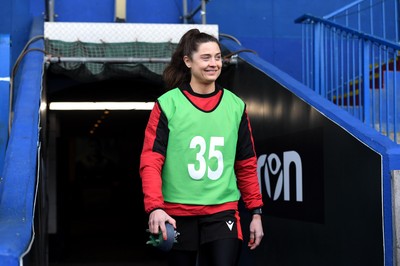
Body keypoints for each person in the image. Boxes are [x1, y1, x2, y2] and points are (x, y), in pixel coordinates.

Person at [139, 28, 264, 266]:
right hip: (176, 213)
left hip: (222, 211)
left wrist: (256, 212)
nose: (213, 64)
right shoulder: (168, 104)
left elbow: (246, 163)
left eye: (217, 57)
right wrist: (155, 207)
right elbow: (151, 161)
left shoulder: (235, 106)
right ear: (188, 61)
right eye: (206, 57)